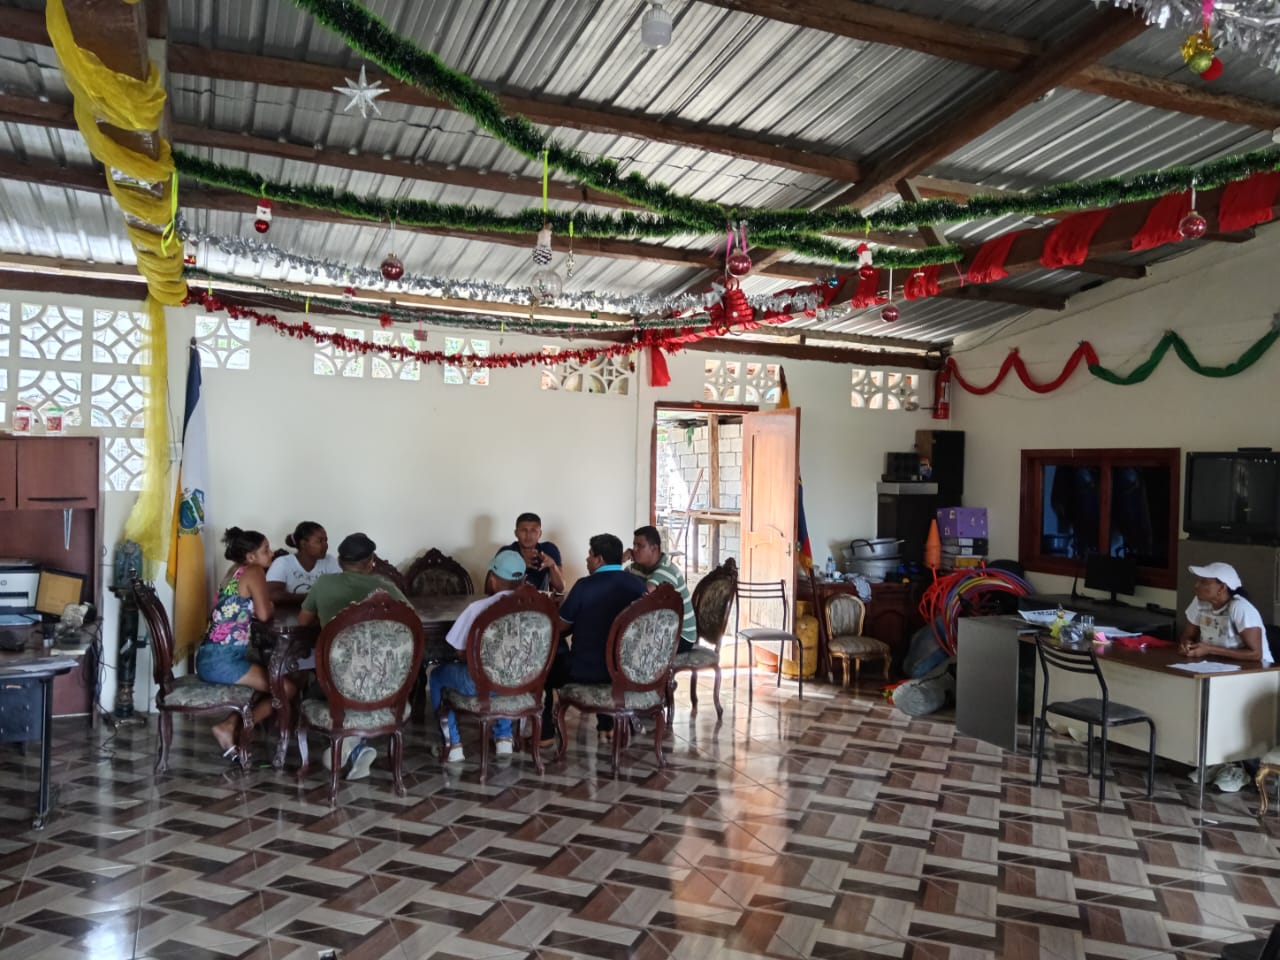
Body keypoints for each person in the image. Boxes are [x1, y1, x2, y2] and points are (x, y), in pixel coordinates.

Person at [298, 532, 410, 779]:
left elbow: (303, 621)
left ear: (340, 561)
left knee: (313, 693)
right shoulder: (385, 587)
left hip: (337, 683)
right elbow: (411, 621)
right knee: (359, 690)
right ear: (371, 562)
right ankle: (355, 747)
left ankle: (350, 745)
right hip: (385, 683)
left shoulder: (324, 584)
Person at [196, 527, 293, 760]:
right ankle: (235, 728)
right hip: (224, 661)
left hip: (211, 656)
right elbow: (264, 614)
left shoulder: (234, 570)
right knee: (287, 688)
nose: (271, 553)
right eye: (265, 550)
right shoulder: (254, 571)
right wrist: (269, 604)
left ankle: (231, 725)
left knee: (273, 676)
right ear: (251, 557)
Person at [542, 534, 647, 742]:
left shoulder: (584, 586)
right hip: (627, 671)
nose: (587, 559)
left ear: (599, 559)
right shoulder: (638, 586)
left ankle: (544, 735)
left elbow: (560, 627)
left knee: (544, 669)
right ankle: (606, 727)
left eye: (590, 555)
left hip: (586, 671)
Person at [1180, 561, 1270, 793]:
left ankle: (1239, 769)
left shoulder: (1240, 608)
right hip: (1216, 669)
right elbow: (1188, 635)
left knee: (1229, 714)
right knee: (1201, 705)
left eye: (1204, 582)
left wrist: (1210, 649)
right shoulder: (1199, 603)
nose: (1197, 586)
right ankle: (1216, 761)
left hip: (1253, 675)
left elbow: (1256, 654)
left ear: (1222, 587)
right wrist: (1187, 645)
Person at [431, 551, 529, 763]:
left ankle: (453, 746)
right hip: (523, 682)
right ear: (523, 579)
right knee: (506, 672)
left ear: (493, 580)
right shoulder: (533, 608)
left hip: (479, 684)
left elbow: (460, 650)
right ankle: (504, 738)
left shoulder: (478, 609)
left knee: (436, 676)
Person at [626, 525, 695, 653]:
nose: (634, 549)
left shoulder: (666, 570)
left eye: (640, 546)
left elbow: (643, 596)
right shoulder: (636, 567)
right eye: (634, 545)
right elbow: (617, 582)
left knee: (631, 646)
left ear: (654, 548)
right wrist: (619, 560)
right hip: (659, 627)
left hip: (680, 635)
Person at [486, 512, 564, 595]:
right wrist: (519, 566)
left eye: (533, 531)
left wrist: (552, 566)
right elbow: (489, 589)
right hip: (511, 599)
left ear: (540, 533)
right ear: (516, 533)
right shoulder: (506, 553)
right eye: (524, 530)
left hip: (538, 599)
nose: (528, 535)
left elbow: (560, 588)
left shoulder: (548, 549)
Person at [266, 521, 341, 606]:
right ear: (303, 544)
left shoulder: (330, 561)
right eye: (320, 541)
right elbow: (272, 595)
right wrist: (312, 598)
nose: (326, 545)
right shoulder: (283, 563)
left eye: (326, 540)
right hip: (289, 613)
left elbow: (339, 590)